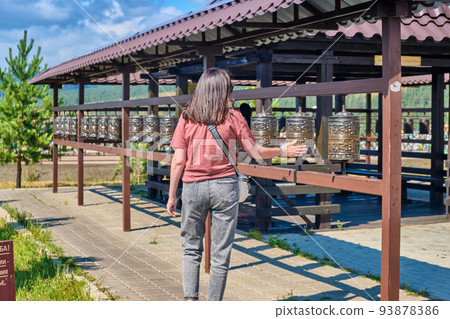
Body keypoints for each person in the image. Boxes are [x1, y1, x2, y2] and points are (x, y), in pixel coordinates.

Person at [166, 67, 307, 301]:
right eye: (230, 88)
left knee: (191, 248)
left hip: (193, 188)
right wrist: (283, 150)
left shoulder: (187, 116)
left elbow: (178, 161)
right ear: (224, 90)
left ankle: (190, 302)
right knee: (220, 253)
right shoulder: (234, 117)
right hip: (224, 188)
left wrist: (172, 195)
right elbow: (256, 152)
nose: (233, 92)